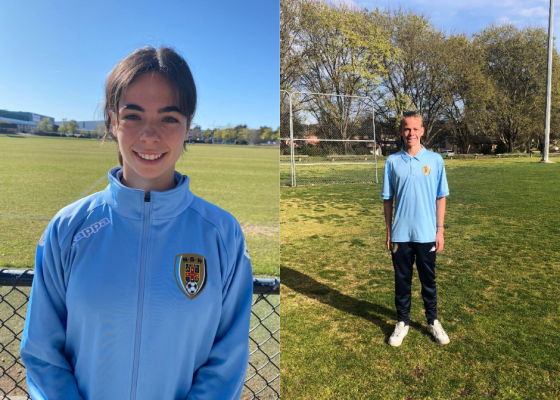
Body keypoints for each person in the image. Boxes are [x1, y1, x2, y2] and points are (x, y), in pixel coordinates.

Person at [20, 47, 254, 399]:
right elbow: (43, 355)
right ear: (112, 122)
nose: (149, 135)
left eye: (169, 118)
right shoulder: (67, 228)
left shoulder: (222, 234)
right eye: (133, 116)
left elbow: (228, 361)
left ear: (188, 125)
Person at [381, 111, 450, 347]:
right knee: (402, 281)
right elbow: (387, 199)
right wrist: (389, 231)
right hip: (401, 233)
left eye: (415, 129)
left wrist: (439, 230)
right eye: (406, 129)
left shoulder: (435, 160)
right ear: (401, 131)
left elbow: (441, 197)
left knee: (428, 281)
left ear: (422, 131)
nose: (411, 133)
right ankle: (402, 322)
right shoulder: (392, 162)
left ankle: (433, 321)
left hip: (426, 233)